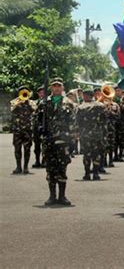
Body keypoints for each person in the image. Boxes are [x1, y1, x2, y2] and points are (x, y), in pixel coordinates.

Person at [35, 77, 75, 206]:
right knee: (50, 169)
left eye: (59, 86)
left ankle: (62, 196)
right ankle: (52, 196)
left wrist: (72, 140)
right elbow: (37, 119)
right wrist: (39, 130)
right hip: (48, 140)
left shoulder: (69, 103)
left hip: (63, 141)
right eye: (54, 86)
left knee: (62, 168)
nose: (56, 88)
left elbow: (73, 122)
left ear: (62, 88)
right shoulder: (43, 103)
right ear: (51, 88)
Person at [76, 89, 106, 180]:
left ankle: (87, 173)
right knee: (96, 154)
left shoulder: (80, 107)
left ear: (85, 96)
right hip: (97, 134)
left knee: (86, 155)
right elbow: (105, 120)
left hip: (85, 135)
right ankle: (96, 173)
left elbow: (77, 121)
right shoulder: (101, 106)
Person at [10, 86, 37, 174]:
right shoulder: (15, 101)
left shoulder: (31, 102)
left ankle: (25, 167)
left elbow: (34, 109)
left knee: (27, 149)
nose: (24, 94)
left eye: (26, 92)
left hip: (27, 131)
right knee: (17, 149)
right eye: (22, 92)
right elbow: (12, 109)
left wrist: (27, 101)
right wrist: (19, 102)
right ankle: (18, 167)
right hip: (17, 130)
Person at [32, 86, 46, 168]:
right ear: (38, 93)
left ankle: (44, 161)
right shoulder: (34, 103)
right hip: (36, 127)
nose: (42, 94)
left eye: (43, 92)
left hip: (44, 126)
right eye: (40, 92)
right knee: (36, 146)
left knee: (45, 145)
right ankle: (37, 161)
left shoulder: (47, 102)